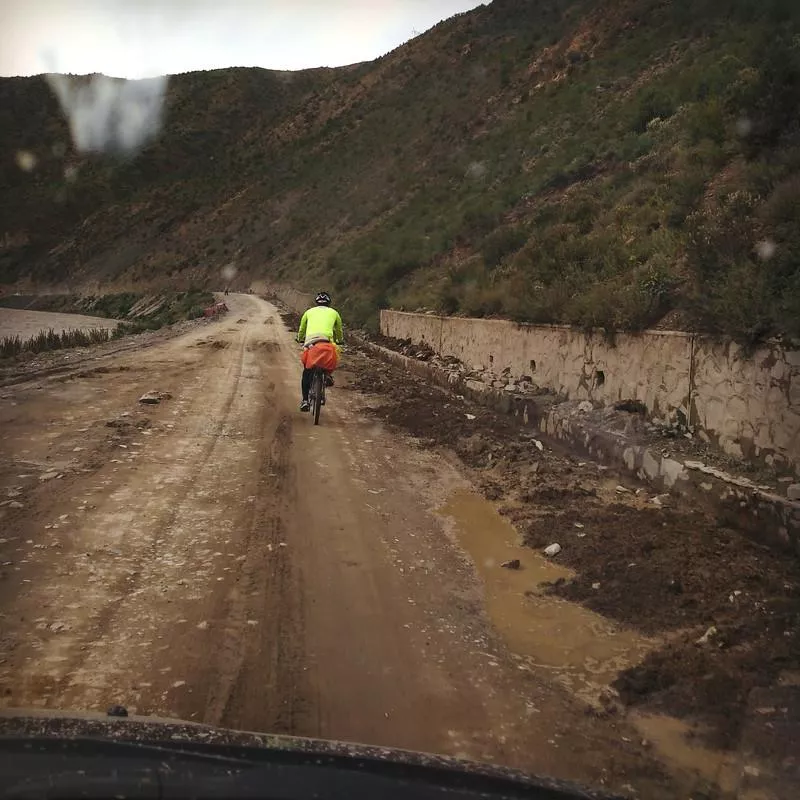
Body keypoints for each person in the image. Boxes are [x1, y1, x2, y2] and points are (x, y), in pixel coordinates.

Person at [296, 292, 343, 412]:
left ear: (316, 303)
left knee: (307, 371)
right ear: (329, 303)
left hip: (311, 343)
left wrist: (300, 338)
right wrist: (340, 340)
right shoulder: (334, 313)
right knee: (333, 357)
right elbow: (339, 330)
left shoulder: (309, 312)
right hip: (327, 341)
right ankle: (327, 375)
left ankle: (305, 400)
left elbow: (302, 328)